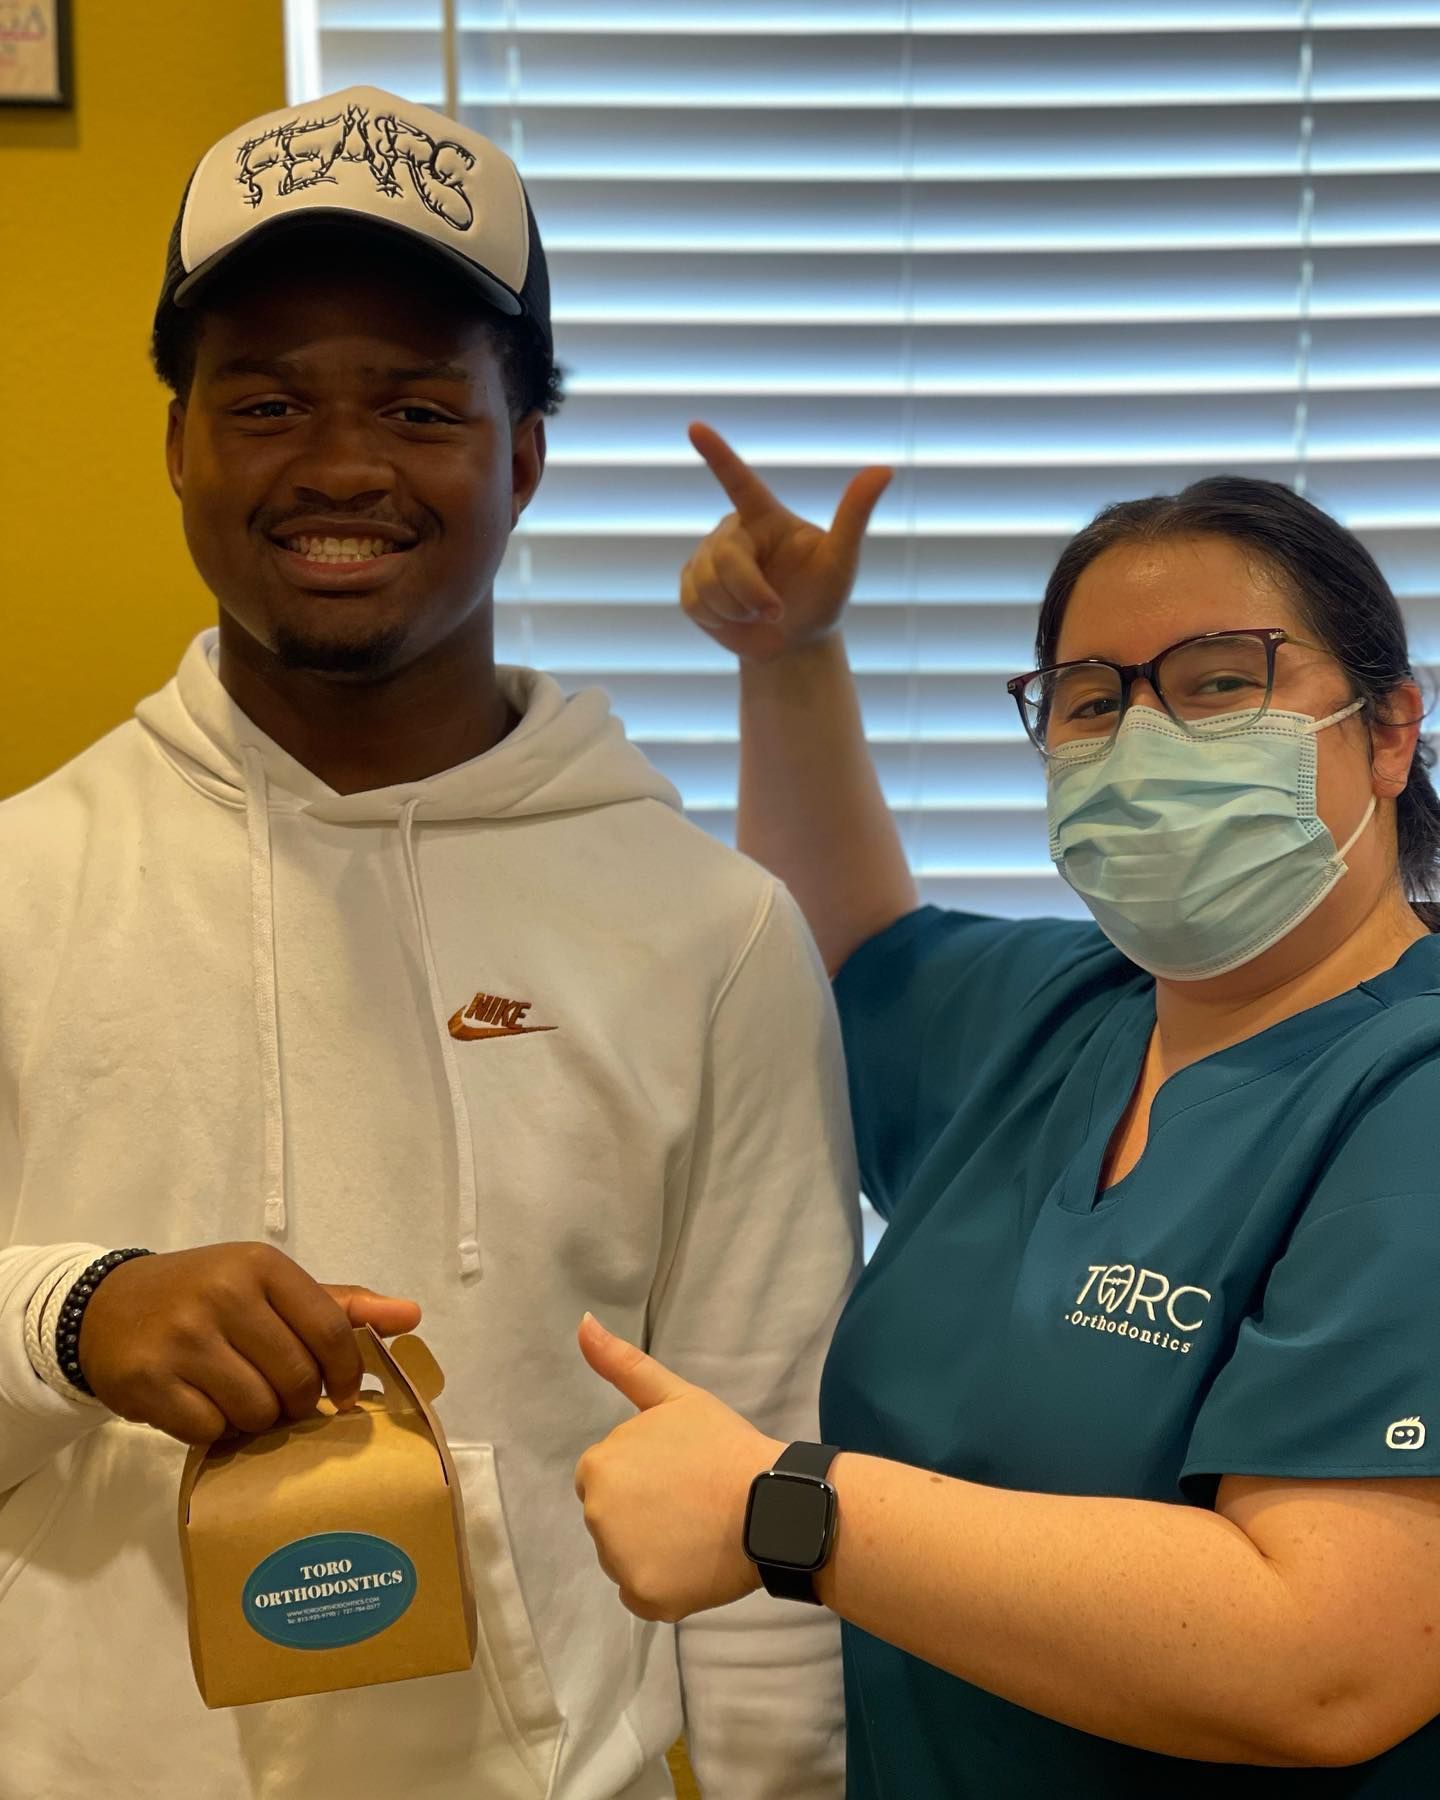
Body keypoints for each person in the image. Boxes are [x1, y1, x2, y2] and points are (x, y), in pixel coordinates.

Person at [0, 95, 857, 1799]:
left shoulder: (714, 936)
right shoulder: (24, 882)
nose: (338, 467)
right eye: (265, 404)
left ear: (522, 454)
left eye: (417, 408)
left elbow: (773, 1474)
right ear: (178, 443)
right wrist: (71, 1316)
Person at [573, 426, 1440, 1795]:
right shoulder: (1061, 1011)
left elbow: (1327, 1658)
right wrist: (790, 656)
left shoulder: (1410, 1100)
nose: (1147, 741)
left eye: (1220, 685)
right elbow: (839, 960)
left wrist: (784, 1510)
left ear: (1391, 731)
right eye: (1093, 703)